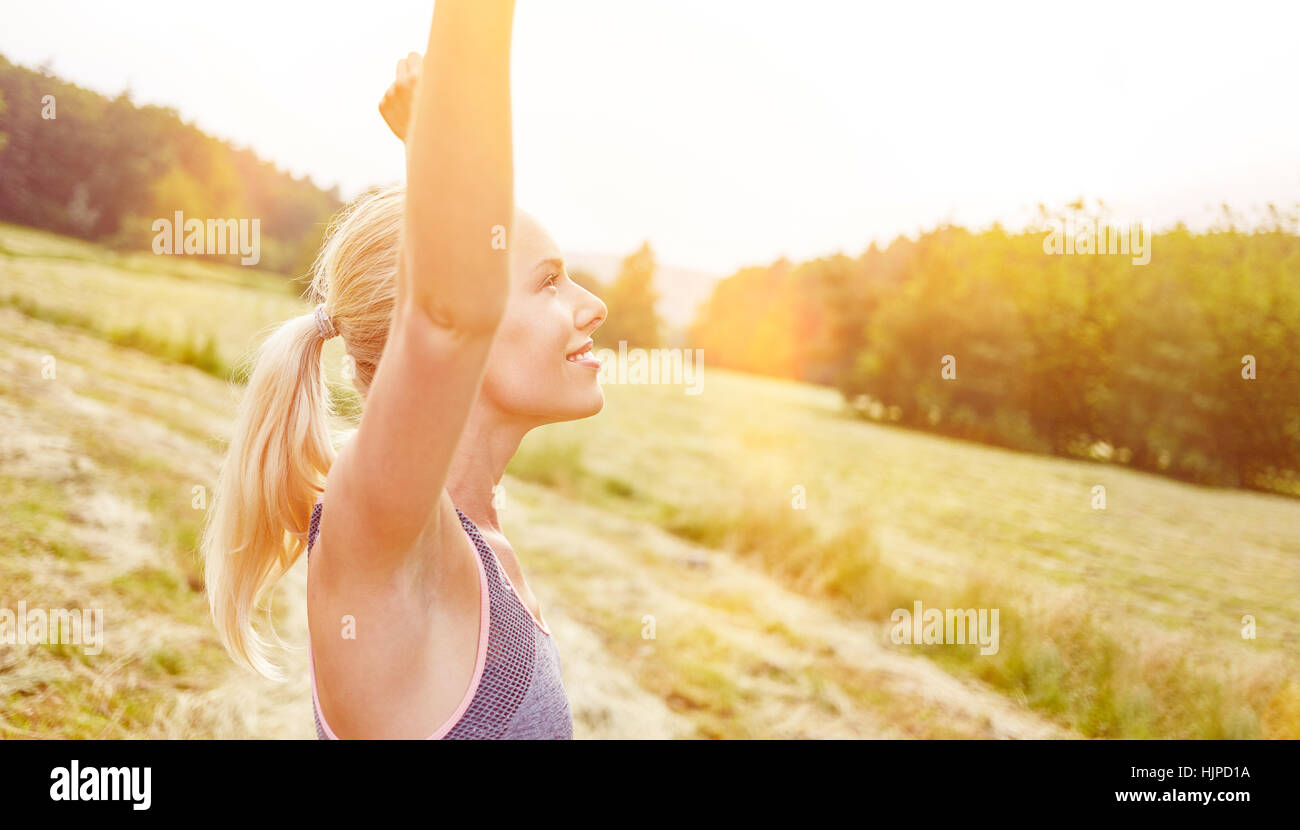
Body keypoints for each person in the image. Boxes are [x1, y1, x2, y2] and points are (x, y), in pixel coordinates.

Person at [200, 0, 606, 739]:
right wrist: (449, 138)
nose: (594, 306)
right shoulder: (381, 529)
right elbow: (449, 318)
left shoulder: (480, 541)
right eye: (549, 282)